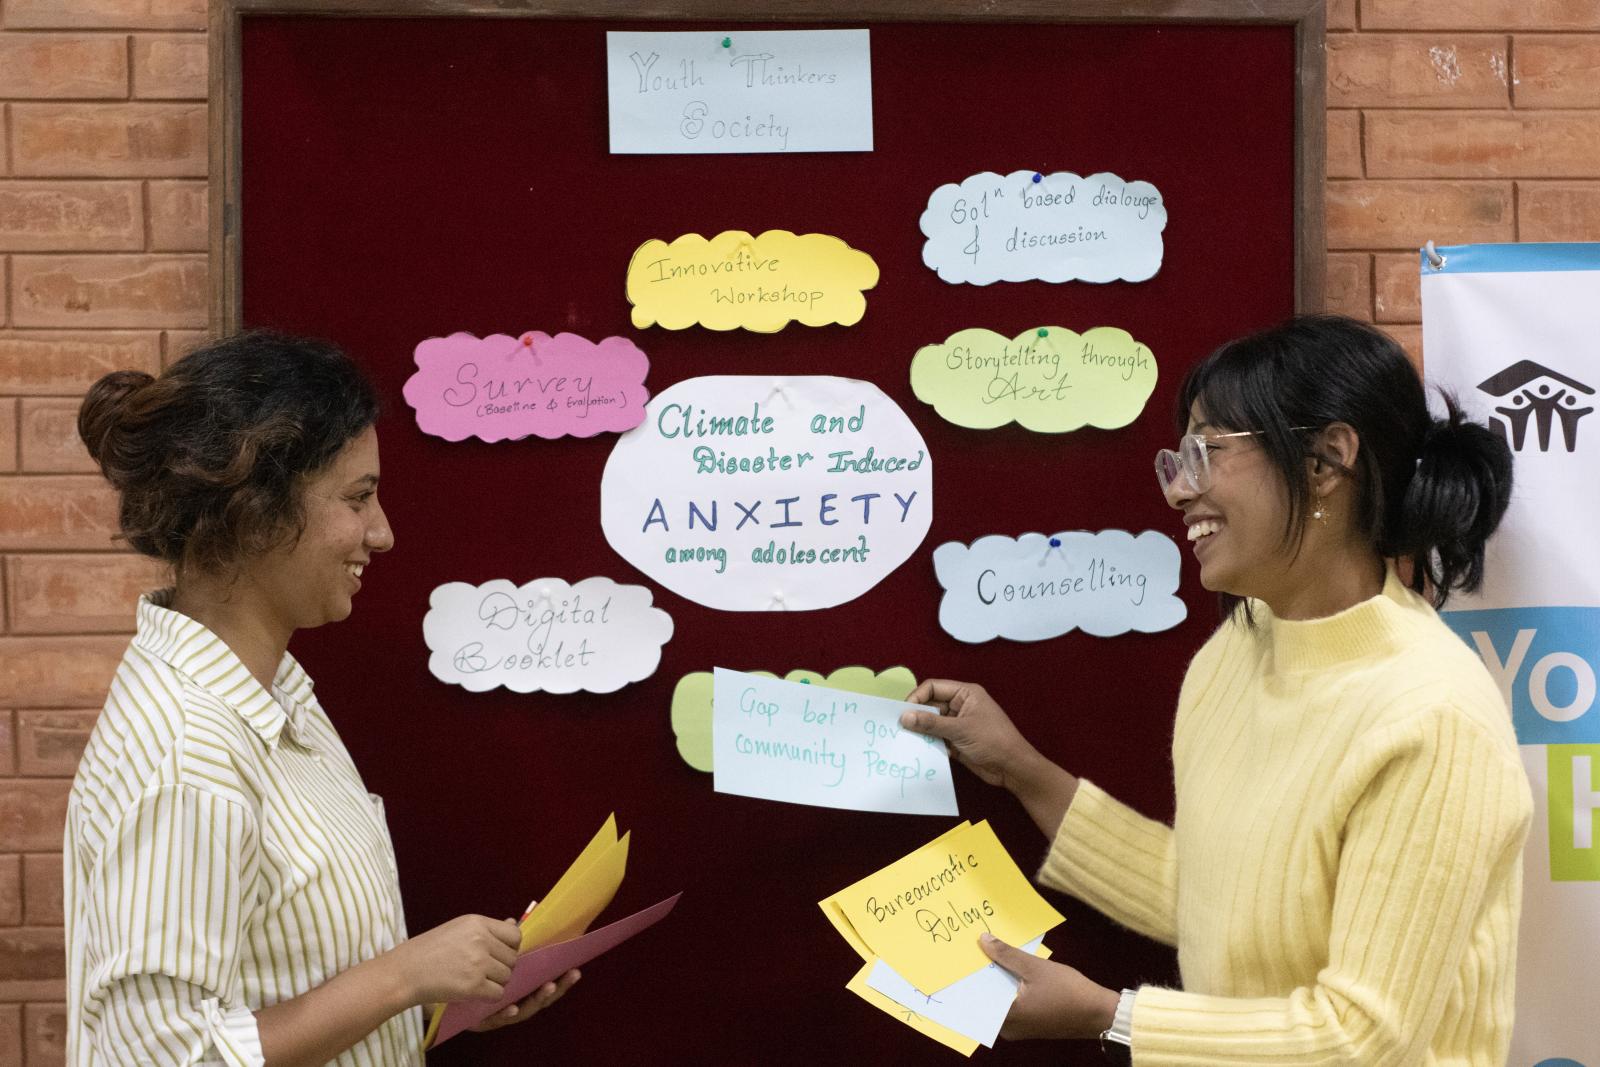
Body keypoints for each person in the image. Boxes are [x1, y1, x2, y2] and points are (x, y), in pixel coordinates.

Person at [902, 315, 1530, 1064]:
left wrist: (1110, 1015)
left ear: (1328, 460)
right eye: (1178, 458)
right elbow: (1210, 896)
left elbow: (1361, 1037)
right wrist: (1017, 768)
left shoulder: (1433, 716)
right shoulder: (1234, 652)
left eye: (1207, 453)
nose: (1180, 491)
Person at [65, 332, 579, 1066]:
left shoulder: (275, 693)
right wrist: (405, 975)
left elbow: (282, 976)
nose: (383, 532)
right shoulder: (185, 755)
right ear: (256, 511)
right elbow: (166, 1055)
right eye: (357, 497)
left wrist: (437, 997)